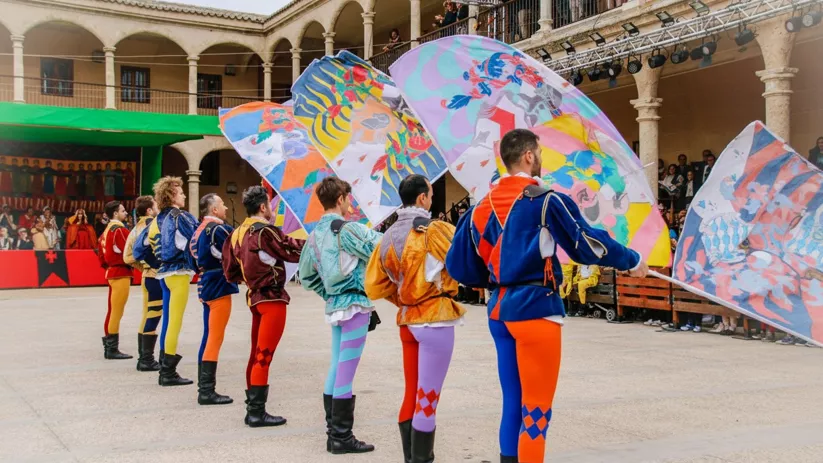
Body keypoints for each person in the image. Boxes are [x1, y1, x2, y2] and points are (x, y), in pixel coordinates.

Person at [446, 129, 648, 463]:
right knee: (537, 411)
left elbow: (461, 266)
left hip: (498, 311)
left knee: (513, 402)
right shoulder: (545, 199)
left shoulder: (478, 208)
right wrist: (631, 259)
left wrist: (495, 278)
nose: (540, 158)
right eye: (538, 152)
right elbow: (586, 243)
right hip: (536, 310)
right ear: (527, 155)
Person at [366, 174, 466, 463]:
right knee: (428, 398)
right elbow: (462, 264)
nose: (431, 200)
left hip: (407, 319)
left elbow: (374, 284)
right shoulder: (434, 230)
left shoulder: (387, 235)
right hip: (435, 317)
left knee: (413, 392)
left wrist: (403, 296)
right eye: (431, 195)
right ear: (422, 198)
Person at [298, 177, 382, 454]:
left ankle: (334, 432)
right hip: (355, 303)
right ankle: (341, 437)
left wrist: (330, 292)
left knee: (337, 365)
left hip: (336, 305)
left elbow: (307, 276)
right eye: (348, 196)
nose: (351, 201)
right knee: (345, 370)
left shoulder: (314, 235)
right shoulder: (346, 229)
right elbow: (378, 249)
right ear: (340, 199)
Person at [222, 185, 304, 428]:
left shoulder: (237, 233)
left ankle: (253, 408)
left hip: (254, 296)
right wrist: (315, 243)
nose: (271, 209)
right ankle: (257, 412)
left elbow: (229, 270)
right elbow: (290, 249)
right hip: (271, 297)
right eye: (269, 205)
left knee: (256, 353)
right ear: (262, 206)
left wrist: (251, 277)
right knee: (264, 355)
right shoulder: (264, 231)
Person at [148, 176, 198, 387]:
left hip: (164, 273)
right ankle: (168, 372)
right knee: (174, 322)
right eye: (181, 192)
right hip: (179, 272)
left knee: (168, 321)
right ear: (172, 195)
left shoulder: (159, 218)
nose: (184, 195)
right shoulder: (181, 216)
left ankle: (164, 366)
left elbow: (143, 245)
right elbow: (197, 237)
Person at [190, 193, 238, 406]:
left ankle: (204, 386)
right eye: (222, 204)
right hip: (218, 282)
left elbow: (188, 256)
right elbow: (235, 252)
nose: (226, 208)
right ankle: (207, 391)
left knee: (209, 335)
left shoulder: (198, 230)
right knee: (215, 337)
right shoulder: (218, 229)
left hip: (205, 281)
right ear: (214, 209)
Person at [124, 196, 163, 372]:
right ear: (149, 210)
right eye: (155, 206)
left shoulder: (135, 229)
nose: (158, 209)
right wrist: (151, 266)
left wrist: (143, 268)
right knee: (153, 316)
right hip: (155, 277)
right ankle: (146, 359)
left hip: (148, 277)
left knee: (148, 315)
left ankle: (144, 357)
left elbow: (127, 256)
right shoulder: (153, 226)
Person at [97, 200, 134, 360]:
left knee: (112, 310)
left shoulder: (106, 231)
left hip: (111, 272)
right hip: (120, 272)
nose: (125, 213)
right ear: (115, 214)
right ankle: (112, 348)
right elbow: (130, 251)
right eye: (123, 211)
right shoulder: (120, 230)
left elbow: (101, 256)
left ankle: (109, 344)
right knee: (117, 311)